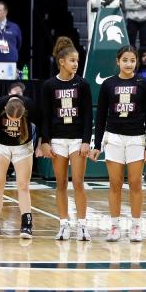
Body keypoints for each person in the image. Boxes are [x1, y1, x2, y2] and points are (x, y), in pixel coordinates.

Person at [92, 45, 146, 242]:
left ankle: (136, 226)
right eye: (125, 60)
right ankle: (114, 226)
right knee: (115, 183)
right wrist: (97, 145)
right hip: (114, 137)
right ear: (118, 61)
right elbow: (100, 116)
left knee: (135, 183)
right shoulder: (109, 84)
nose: (129, 64)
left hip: (136, 137)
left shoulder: (143, 84)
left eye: (132, 60)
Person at [39, 37, 94, 241]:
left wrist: (87, 141)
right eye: (72, 60)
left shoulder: (83, 84)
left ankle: (82, 225)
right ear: (62, 61)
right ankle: (63, 224)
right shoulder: (49, 85)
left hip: (77, 139)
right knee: (60, 183)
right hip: (57, 140)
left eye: (77, 61)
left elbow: (88, 115)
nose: (76, 64)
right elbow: (45, 116)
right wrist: (45, 141)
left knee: (78, 182)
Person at [0, 89, 37, 239]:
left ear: (24, 111)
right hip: (0, 146)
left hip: (23, 146)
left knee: (23, 185)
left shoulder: (30, 105)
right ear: (4, 110)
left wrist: (41, 144)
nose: (13, 122)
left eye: (16, 120)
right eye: (10, 118)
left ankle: (27, 224)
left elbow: (43, 122)